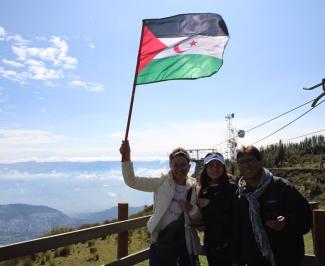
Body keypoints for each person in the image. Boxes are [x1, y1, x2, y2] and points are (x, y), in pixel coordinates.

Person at [119, 140, 201, 266]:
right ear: (170, 166)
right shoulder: (161, 182)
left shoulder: (194, 187)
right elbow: (132, 181)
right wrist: (127, 157)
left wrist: (190, 208)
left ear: (189, 167)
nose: (180, 168)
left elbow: (198, 218)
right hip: (161, 243)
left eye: (183, 165)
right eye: (176, 165)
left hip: (185, 245)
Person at [234, 145, 312, 266]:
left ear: (259, 162)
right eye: (241, 162)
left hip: (286, 259)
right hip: (255, 261)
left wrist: (286, 222)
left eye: (250, 160)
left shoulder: (282, 187)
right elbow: (238, 231)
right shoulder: (240, 194)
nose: (246, 165)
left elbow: (305, 218)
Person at [197, 152, 238, 266]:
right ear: (206, 168)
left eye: (218, 165)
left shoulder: (232, 188)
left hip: (231, 244)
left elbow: (234, 216)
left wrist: (210, 204)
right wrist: (200, 223)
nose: (215, 169)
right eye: (211, 165)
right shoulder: (203, 190)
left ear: (223, 168)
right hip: (211, 243)